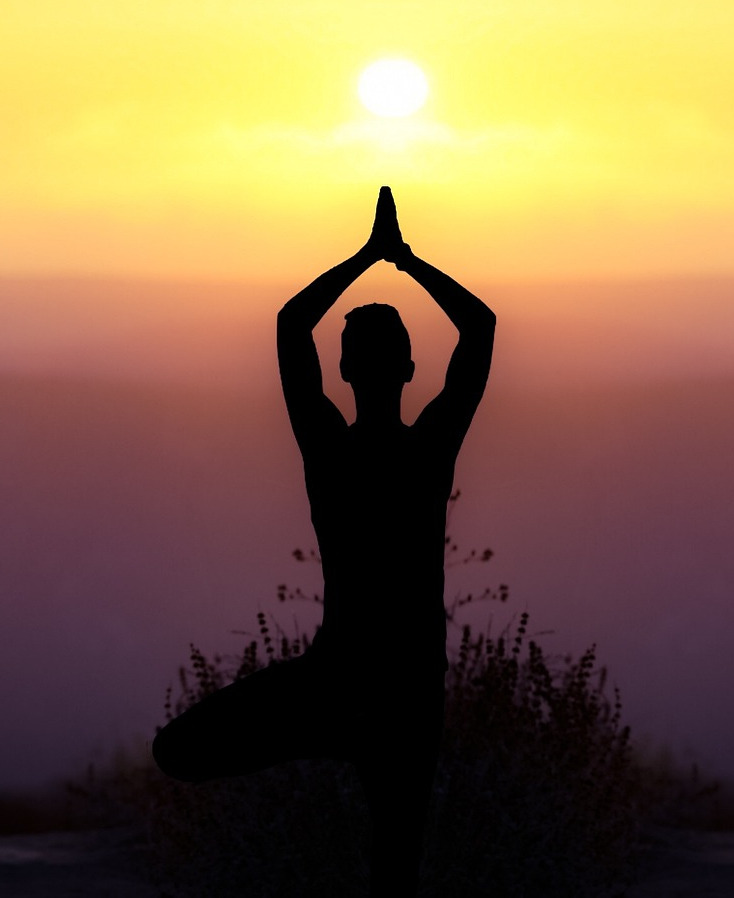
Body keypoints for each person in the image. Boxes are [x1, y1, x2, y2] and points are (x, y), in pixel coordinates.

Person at [152, 187, 496, 896]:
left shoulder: (329, 452)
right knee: (394, 868)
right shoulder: (428, 451)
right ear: (408, 370)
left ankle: (336, 736)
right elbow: (480, 328)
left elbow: (289, 325)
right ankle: (344, 738)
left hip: (336, 680)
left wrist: (365, 256)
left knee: (178, 750)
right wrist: (405, 262)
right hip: (405, 689)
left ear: (343, 372)